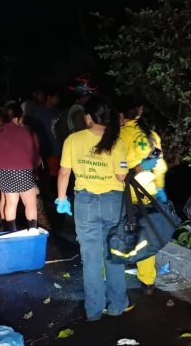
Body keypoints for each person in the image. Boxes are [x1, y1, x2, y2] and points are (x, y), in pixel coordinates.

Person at [55, 96, 131, 321]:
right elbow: (121, 175)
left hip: (85, 202)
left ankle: (94, 310)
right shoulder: (116, 142)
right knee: (114, 254)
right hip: (113, 202)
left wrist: (62, 198)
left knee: (91, 258)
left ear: (88, 117)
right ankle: (117, 305)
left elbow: (64, 173)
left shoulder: (73, 139)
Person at [117, 99, 168, 295]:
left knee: (117, 232)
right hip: (148, 192)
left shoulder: (118, 136)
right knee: (145, 236)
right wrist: (160, 188)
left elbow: (117, 169)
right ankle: (148, 281)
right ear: (140, 111)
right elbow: (160, 166)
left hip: (124, 193)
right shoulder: (152, 136)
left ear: (121, 115)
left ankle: (111, 275)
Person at [0, 103, 41, 232]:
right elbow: (33, 154)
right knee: (30, 203)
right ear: (18, 117)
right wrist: (36, 171)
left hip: (3, 170)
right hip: (22, 170)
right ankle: (32, 231)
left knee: (10, 203)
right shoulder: (25, 132)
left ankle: (11, 232)